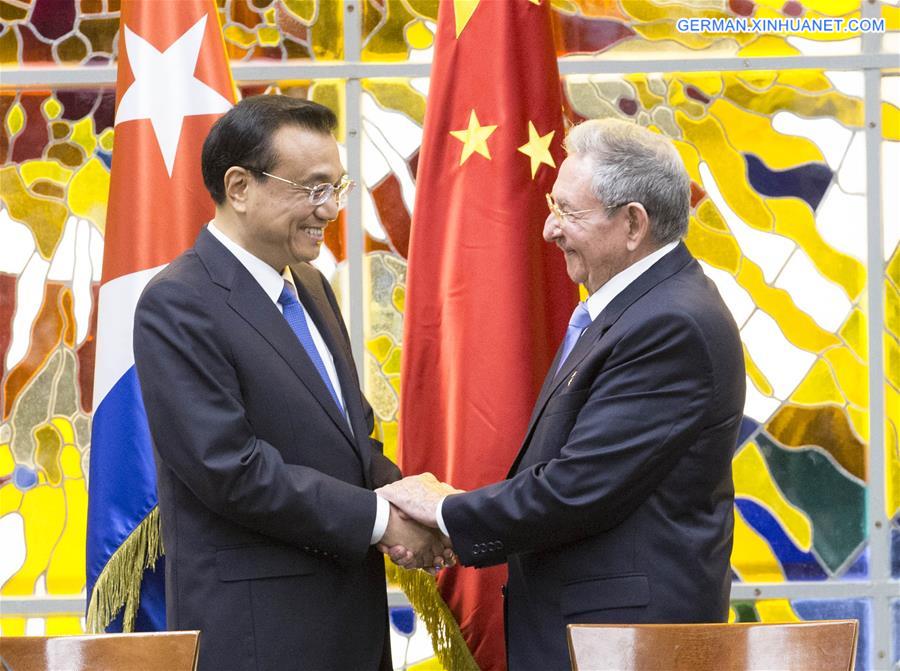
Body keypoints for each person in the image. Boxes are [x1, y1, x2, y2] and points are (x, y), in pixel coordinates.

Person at [379, 118, 746, 670]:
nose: (549, 229)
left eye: (568, 212)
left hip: (626, 644)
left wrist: (446, 511)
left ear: (632, 224)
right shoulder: (637, 309)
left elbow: (578, 487)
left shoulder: (670, 324)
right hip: (594, 634)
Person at [133, 95, 448, 671]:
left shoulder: (311, 286)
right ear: (239, 187)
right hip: (262, 635)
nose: (330, 210)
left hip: (351, 621)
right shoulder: (178, 302)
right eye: (312, 188)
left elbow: (351, 438)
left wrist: (410, 500)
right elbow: (229, 469)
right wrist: (382, 521)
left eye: (338, 188)